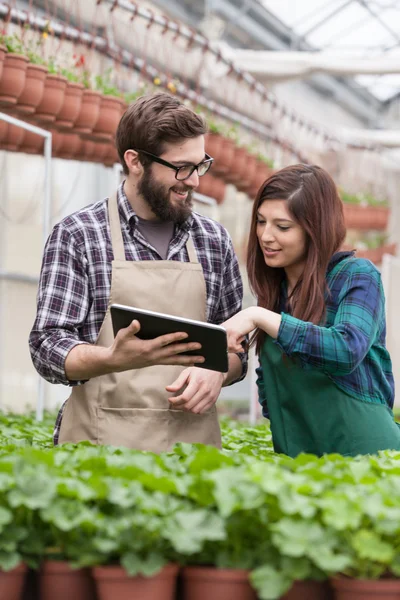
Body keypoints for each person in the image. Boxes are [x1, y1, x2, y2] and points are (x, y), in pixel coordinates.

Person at [29, 92, 247, 451]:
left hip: (192, 454)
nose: (193, 181)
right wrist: (111, 359)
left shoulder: (212, 240)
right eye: (181, 167)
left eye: (199, 165)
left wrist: (220, 369)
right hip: (100, 448)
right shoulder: (80, 234)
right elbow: (46, 345)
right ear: (134, 161)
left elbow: (238, 349)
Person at [223, 163, 400, 458]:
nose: (265, 236)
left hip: (368, 460)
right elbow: (271, 389)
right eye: (260, 221)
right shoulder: (275, 295)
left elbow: (346, 349)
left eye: (282, 227)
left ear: (315, 229)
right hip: (301, 464)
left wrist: (259, 316)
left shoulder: (356, 276)